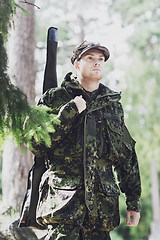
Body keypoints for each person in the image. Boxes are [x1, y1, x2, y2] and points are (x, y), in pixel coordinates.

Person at [20, 41, 141, 240]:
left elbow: (125, 154)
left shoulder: (112, 105)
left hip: (101, 210)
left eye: (101, 59)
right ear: (76, 64)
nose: (97, 63)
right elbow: (36, 144)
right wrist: (69, 113)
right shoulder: (55, 98)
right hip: (63, 207)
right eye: (90, 58)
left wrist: (133, 201)